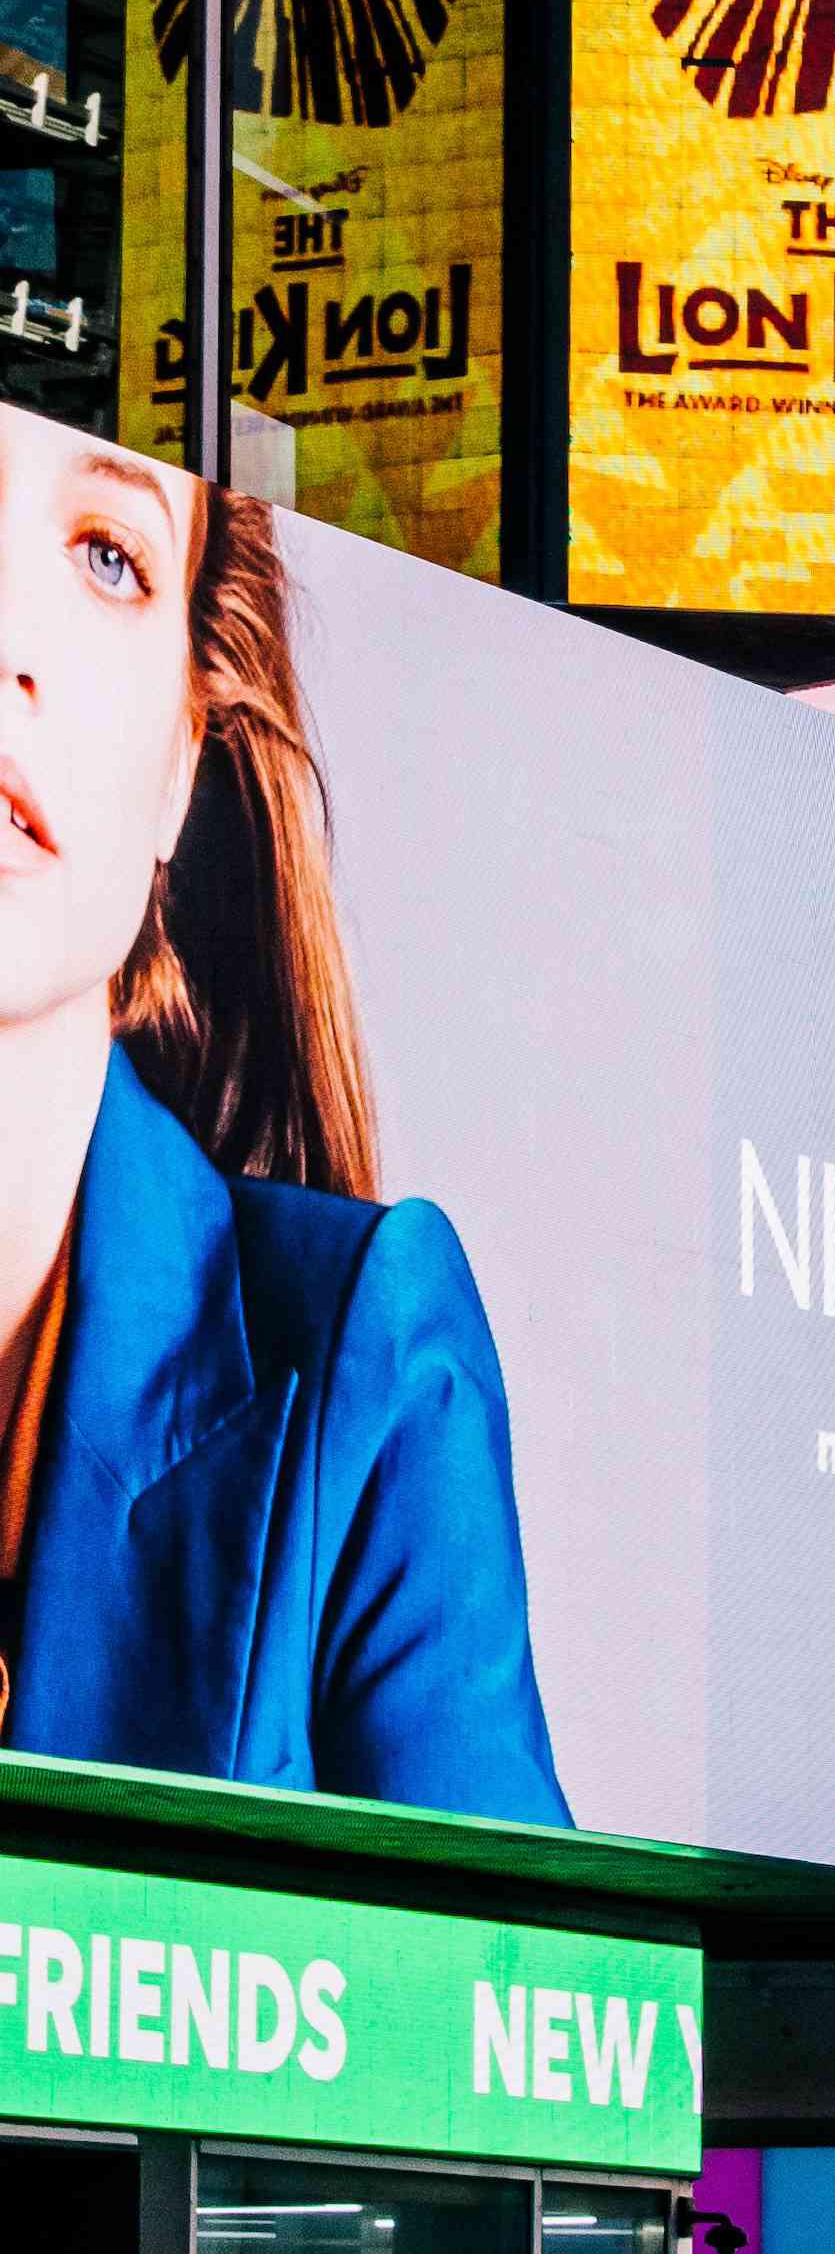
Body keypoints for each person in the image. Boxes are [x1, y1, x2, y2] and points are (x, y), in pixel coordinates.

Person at [0, 432, 561, 1822]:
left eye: (105, 555)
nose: (8, 637)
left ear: (189, 749)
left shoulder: (361, 1361)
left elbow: (510, 2019)